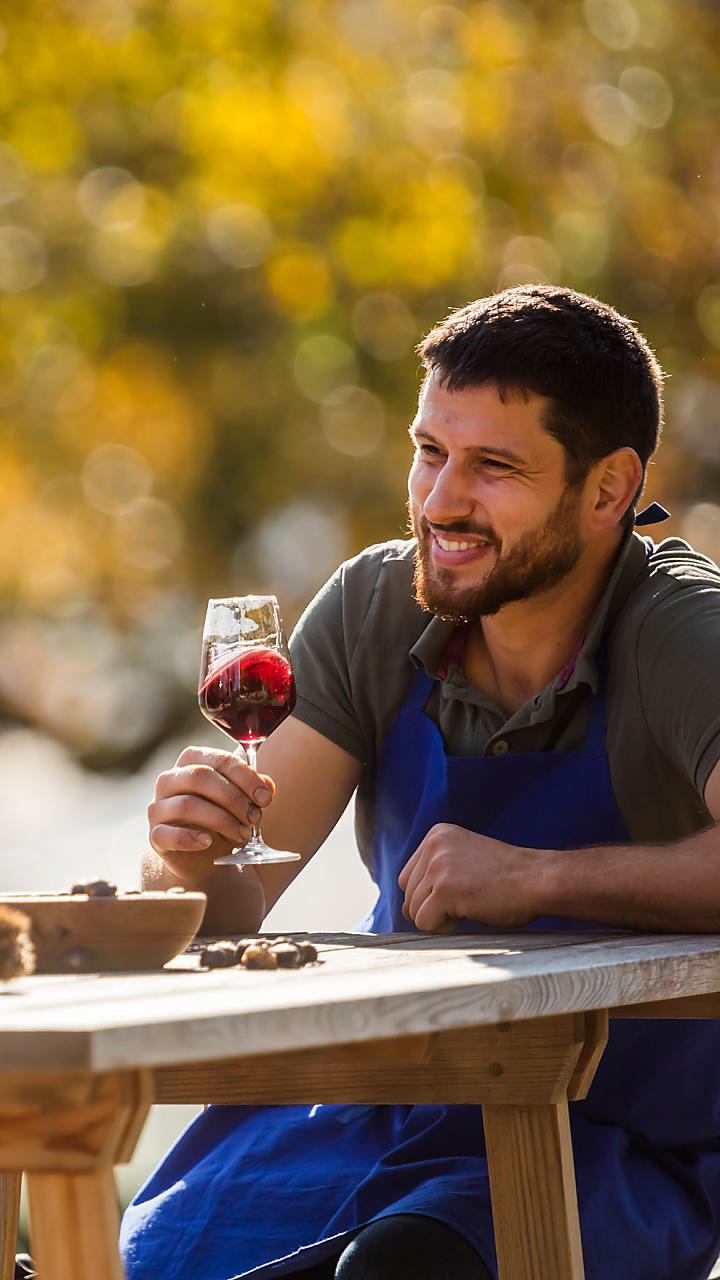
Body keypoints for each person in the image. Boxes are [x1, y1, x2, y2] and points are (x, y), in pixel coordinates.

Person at [120, 285, 720, 1280]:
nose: (441, 500)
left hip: (606, 1146)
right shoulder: (372, 605)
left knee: (398, 1266)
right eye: (430, 450)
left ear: (610, 488)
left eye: (494, 466)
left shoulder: (682, 630)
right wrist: (188, 853)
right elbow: (230, 905)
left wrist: (541, 879)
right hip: (367, 1105)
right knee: (148, 1261)